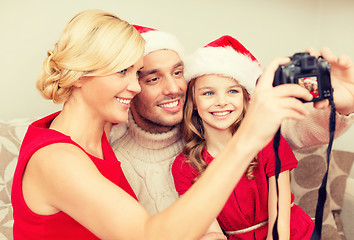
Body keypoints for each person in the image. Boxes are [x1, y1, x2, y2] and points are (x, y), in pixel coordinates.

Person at [11, 9, 310, 240]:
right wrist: (247, 140)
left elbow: (298, 132)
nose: (135, 87)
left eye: (137, 73)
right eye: (122, 72)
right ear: (78, 76)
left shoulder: (98, 130)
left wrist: (337, 102)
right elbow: (149, 235)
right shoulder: (56, 160)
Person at [110, 25, 354, 219]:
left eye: (178, 73)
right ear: (131, 86)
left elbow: (296, 127)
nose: (173, 88)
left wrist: (345, 101)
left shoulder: (223, 125)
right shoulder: (116, 162)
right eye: (153, 79)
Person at [171, 35, 314, 239]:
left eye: (232, 91)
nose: (221, 102)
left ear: (245, 97)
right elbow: (210, 230)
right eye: (208, 93)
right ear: (193, 101)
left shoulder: (269, 142)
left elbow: (280, 224)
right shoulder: (184, 166)